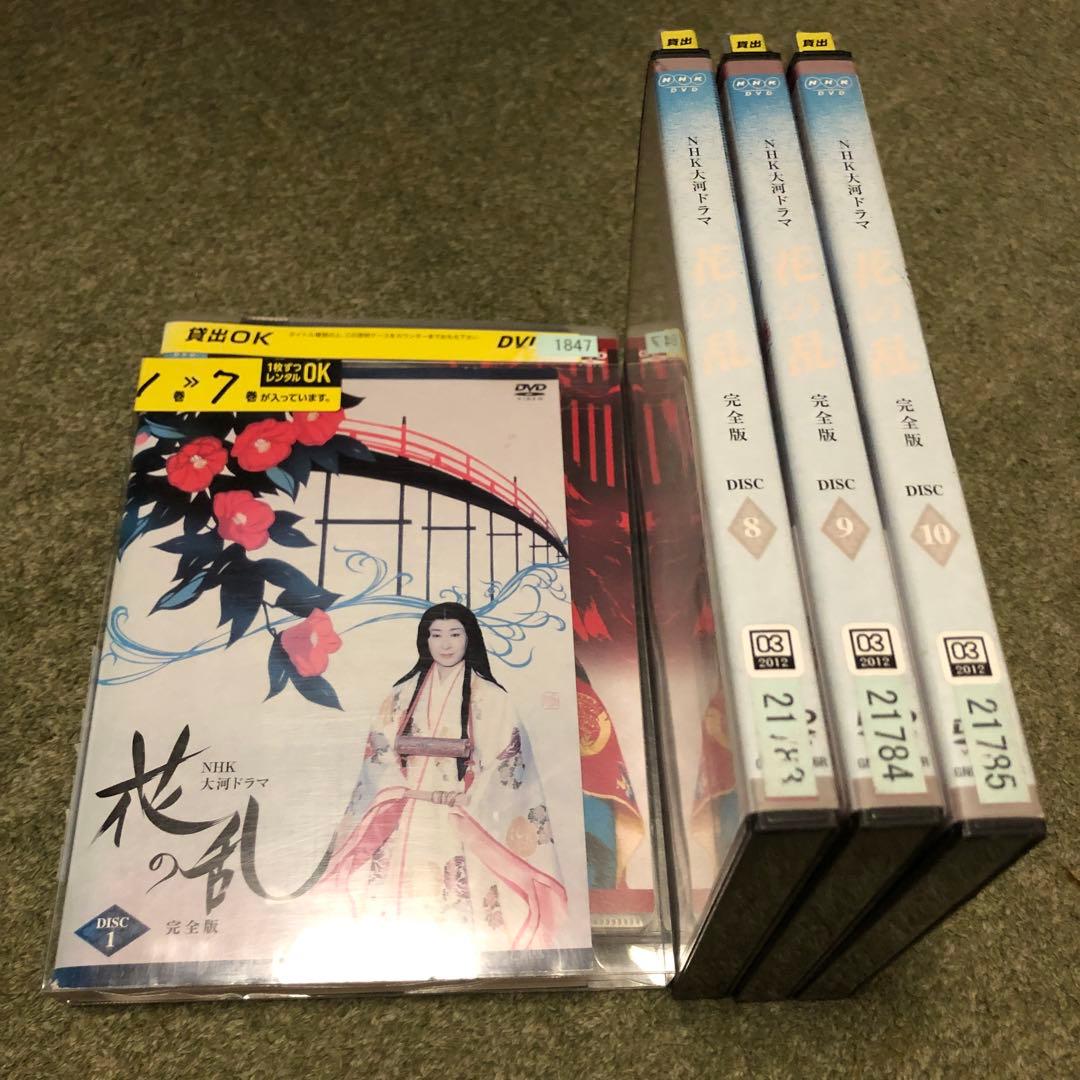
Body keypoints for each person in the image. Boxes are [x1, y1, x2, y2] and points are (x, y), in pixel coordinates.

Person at [321, 602, 567, 952]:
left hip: (460, 816)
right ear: (425, 641)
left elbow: (508, 762)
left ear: (470, 638)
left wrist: (471, 796)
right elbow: (379, 752)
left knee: (456, 900)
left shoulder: (491, 698)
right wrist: (396, 786)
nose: (445, 644)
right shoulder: (401, 695)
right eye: (436, 635)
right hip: (405, 811)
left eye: (455, 634)